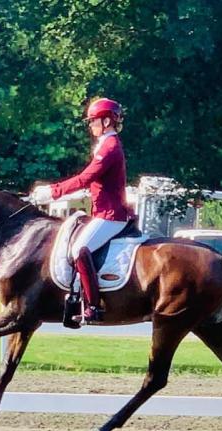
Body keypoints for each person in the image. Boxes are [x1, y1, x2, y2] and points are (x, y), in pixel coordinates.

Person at [32, 97, 132, 323]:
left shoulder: (109, 146)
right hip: (104, 212)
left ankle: (93, 307)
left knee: (80, 250)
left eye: (94, 121)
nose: (91, 125)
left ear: (107, 121)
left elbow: (86, 177)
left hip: (111, 215)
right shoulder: (106, 144)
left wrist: (53, 191)